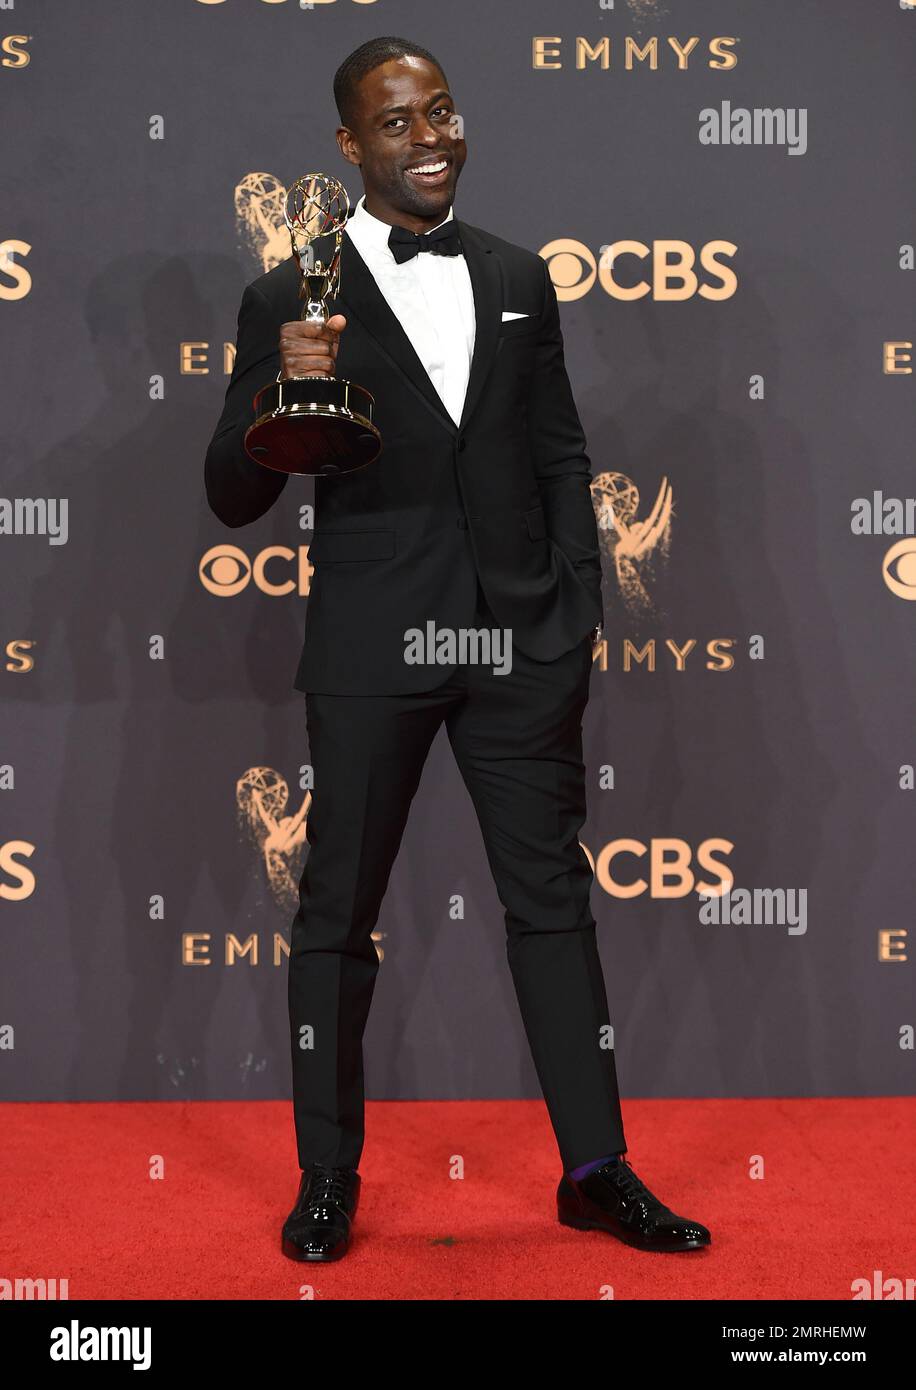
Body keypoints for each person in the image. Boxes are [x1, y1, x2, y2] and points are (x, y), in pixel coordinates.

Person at [204, 35, 710, 1264]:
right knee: (336, 917)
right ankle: (327, 1179)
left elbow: (559, 451)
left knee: (553, 910)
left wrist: (573, 610)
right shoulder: (291, 294)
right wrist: (281, 392)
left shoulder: (520, 274)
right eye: (395, 123)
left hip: (518, 642)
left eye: (440, 113)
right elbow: (230, 496)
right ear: (348, 145)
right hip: (374, 644)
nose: (429, 138)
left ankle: (596, 1168)